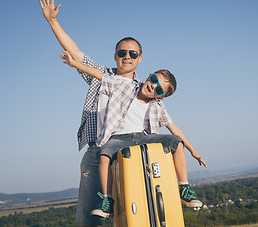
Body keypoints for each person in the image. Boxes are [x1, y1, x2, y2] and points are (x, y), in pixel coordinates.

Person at [40, 0, 206, 226]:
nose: (127, 56)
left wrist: (191, 149)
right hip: (99, 149)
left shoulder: (148, 92)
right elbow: (76, 54)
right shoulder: (103, 77)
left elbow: (169, 123)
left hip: (137, 147)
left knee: (140, 210)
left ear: (140, 59)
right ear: (115, 56)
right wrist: (52, 21)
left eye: (132, 54)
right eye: (122, 53)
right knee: (89, 215)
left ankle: (184, 190)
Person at [61, 50, 207, 218]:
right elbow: (100, 75)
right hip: (117, 138)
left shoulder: (157, 106)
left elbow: (174, 128)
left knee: (176, 141)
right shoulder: (125, 86)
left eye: (158, 89)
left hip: (142, 137)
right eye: (154, 80)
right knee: (104, 155)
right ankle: (107, 201)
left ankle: (184, 188)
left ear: (161, 97)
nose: (153, 86)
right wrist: (75, 64)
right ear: (149, 76)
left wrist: (193, 151)